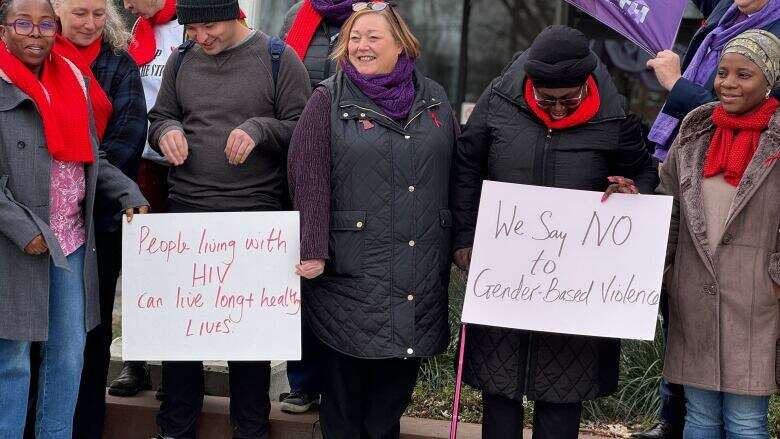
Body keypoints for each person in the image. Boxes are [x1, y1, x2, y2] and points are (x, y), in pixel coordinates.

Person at [450, 26, 658, 439]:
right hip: (504, 275)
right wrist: (463, 238)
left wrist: (633, 191)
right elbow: (466, 167)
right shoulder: (498, 102)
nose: (558, 109)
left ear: (587, 82)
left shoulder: (615, 117)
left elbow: (644, 173)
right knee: (499, 391)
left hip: (574, 287)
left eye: (569, 99)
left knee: (562, 397)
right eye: (547, 99)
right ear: (530, 84)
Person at [287, 2, 457, 437]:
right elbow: (308, 177)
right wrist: (311, 247)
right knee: (344, 404)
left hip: (419, 274)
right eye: (354, 38)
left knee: (390, 402)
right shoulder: (327, 98)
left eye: (372, 37)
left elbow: (461, 173)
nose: (361, 45)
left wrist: (463, 239)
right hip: (351, 274)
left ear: (401, 44)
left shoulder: (435, 99)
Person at [147, 0, 310, 434]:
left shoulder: (278, 58)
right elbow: (160, 115)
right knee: (181, 336)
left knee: (248, 340)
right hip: (187, 213)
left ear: (236, 14)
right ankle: (175, 427)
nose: (201, 38)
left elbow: (304, 128)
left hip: (254, 216)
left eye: (210, 27)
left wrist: (259, 129)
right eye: (192, 30)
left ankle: (250, 428)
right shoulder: (181, 59)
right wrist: (167, 131)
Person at [0, 0, 148, 435]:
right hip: (18, 243)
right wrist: (22, 229)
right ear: (4, 28)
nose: (36, 33)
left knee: (69, 354)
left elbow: (89, 159)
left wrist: (125, 191)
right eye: (23, 23)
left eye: (45, 24)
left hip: (72, 238)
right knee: (12, 358)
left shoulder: (74, 79)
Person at [637, 2, 780, 437]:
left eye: (743, 75)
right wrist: (665, 271)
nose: (728, 84)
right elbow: (671, 205)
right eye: (722, 73)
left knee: (745, 421)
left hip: (758, 302)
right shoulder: (696, 129)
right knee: (697, 418)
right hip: (693, 298)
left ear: (770, 81)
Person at [50, 0, 148, 435]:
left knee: (92, 332)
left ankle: (86, 425)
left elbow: (128, 136)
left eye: (96, 14)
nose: (89, 24)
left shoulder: (119, 64)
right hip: (41, 220)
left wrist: (86, 184)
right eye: (79, 14)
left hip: (100, 219)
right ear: (57, 13)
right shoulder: (36, 57)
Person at [277, 0, 359, 414]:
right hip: (303, 159)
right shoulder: (296, 17)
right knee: (306, 269)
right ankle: (304, 382)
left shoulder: (379, 13)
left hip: (357, 162)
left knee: (343, 273)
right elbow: (281, 82)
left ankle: (339, 384)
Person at [110, 0, 184, 397]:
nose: (124, 4)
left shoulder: (189, 24)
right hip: (139, 161)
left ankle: (177, 365)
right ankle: (134, 361)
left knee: (181, 266)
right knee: (137, 263)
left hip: (184, 162)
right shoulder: (131, 28)